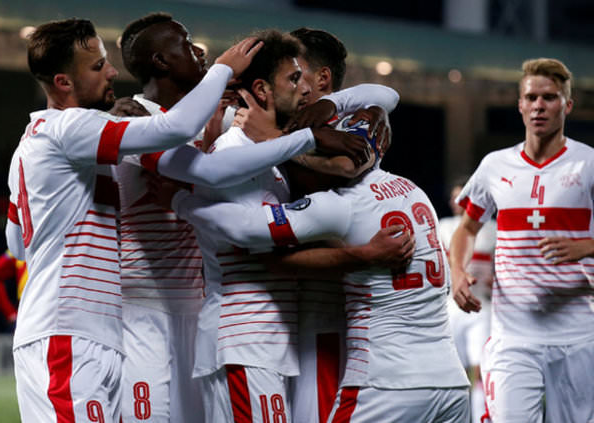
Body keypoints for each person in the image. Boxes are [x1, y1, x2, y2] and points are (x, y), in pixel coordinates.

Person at [115, 13, 394, 422]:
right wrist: (358, 250)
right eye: (294, 79)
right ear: (262, 89)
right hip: (206, 325)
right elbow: (246, 224)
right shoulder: (169, 130)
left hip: (247, 332)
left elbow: (384, 96)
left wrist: (331, 110)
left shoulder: (254, 145)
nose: (306, 89)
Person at [5, 17, 261, 422]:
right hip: (70, 328)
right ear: (63, 82)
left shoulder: (32, 141)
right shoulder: (71, 126)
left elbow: (16, 244)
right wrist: (223, 69)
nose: (111, 72)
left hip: (90, 329)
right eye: (97, 66)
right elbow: (176, 126)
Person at [170, 112, 471, 422]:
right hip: (452, 382)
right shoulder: (412, 189)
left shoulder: (339, 204)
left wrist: (180, 200)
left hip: (387, 381)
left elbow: (246, 228)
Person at [233, 27, 396, 423]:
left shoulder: (356, 118)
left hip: (331, 308)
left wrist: (274, 140)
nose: (291, 81)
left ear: (322, 78)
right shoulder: (269, 120)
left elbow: (346, 165)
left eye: (296, 72)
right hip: (273, 313)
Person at [449, 58, 594, 423]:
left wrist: (587, 247)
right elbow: (467, 229)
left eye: (549, 97)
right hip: (512, 337)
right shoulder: (495, 165)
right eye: (531, 98)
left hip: (578, 335)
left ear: (567, 105)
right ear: (520, 105)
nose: (539, 106)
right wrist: (457, 272)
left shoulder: (588, 163)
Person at [438, 178, 496, 423]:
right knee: (454, 372)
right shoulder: (443, 226)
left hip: (482, 307)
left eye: (462, 197)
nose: (456, 202)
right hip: (450, 308)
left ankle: (481, 417)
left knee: (481, 369)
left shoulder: (492, 229)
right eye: (454, 197)